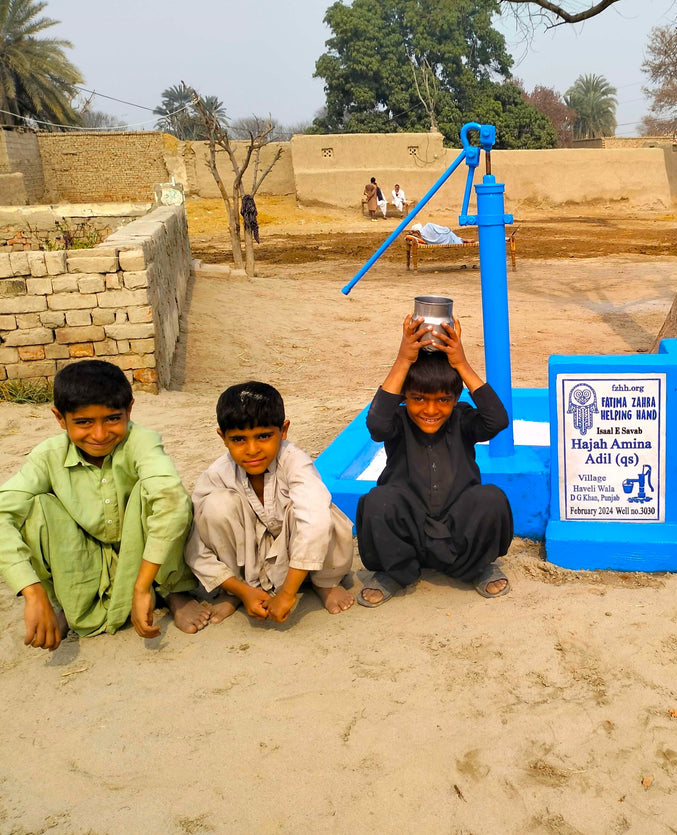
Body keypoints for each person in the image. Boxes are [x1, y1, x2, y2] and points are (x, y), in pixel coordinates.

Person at [0, 360, 208, 651]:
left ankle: (173, 591)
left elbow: (170, 501)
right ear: (60, 418)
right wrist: (32, 592)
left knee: (167, 496)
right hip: (86, 554)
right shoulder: (47, 456)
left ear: (129, 410)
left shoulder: (142, 442)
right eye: (83, 422)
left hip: (142, 552)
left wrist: (141, 587)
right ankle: (66, 603)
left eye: (112, 419)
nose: (99, 435)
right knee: (35, 509)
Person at [355, 315, 513, 607]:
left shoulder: (463, 419)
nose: (430, 410)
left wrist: (461, 363)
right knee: (378, 501)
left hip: (457, 528)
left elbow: (497, 420)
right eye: (418, 399)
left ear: (456, 398)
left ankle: (476, 567)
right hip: (410, 530)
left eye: (443, 400)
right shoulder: (397, 421)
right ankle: (395, 573)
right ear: (404, 397)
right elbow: (376, 425)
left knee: (491, 498)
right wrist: (403, 359)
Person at [185, 382, 355, 624]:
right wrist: (241, 590)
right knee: (214, 507)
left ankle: (324, 583)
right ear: (223, 438)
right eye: (239, 439)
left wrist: (287, 594)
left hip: (304, 555)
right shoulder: (217, 474)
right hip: (254, 560)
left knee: (322, 514)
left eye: (263, 436)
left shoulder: (295, 462)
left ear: (283, 431)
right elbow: (195, 545)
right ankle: (237, 591)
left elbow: (315, 524)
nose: (252, 449)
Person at [408, 222, 472, 245]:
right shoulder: (428, 225)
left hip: (442, 241)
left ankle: (462, 240)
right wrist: (447, 229)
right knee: (449, 234)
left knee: (452, 238)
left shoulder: (422, 238)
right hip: (446, 237)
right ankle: (463, 240)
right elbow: (442, 229)